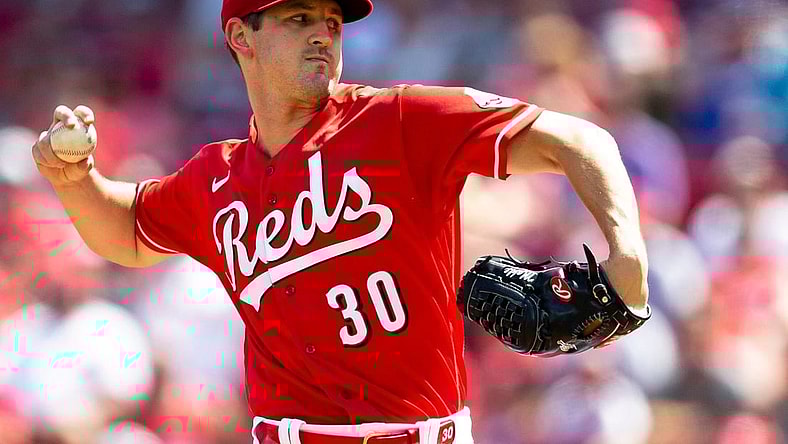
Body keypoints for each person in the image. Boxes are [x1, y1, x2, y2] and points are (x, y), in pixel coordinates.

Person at [31, 0, 649, 442]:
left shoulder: (403, 121)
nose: (323, 33)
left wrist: (627, 251)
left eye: (331, 21)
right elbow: (127, 231)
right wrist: (74, 178)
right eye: (298, 18)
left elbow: (579, 139)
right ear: (241, 37)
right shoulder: (214, 178)